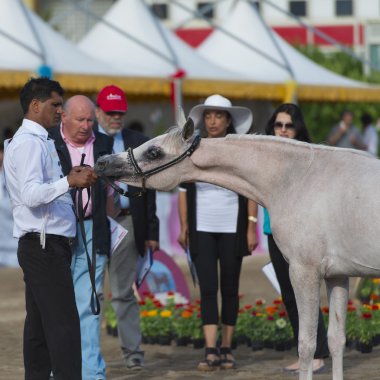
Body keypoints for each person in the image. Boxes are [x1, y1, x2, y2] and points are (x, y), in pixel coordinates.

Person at [3, 77, 98, 380]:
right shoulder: (30, 142)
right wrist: (69, 182)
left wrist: (68, 179)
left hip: (43, 244)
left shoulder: (38, 140)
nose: (60, 111)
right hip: (43, 245)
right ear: (35, 105)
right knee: (64, 327)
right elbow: (30, 195)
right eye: (55, 104)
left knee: (40, 327)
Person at [177, 94, 258, 371]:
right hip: (202, 229)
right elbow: (183, 191)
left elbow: (251, 193)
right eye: (208, 115)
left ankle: (227, 348)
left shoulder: (239, 150)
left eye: (218, 116)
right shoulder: (192, 148)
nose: (212, 121)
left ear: (228, 121)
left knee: (231, 289)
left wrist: (250, 227)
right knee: (208, 289)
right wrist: (184, 226)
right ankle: (210, 349)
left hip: (233, 230)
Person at [49, 95, 114, 380]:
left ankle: (91, 373)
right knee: (56, 305)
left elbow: (111, 192)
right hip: (56, 231)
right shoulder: (48, 143)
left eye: (90, 120)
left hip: (91, 229)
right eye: (80, 119)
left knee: (88, 303)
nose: (86, 126)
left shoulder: (104, 145)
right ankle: (57, 369)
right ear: (63, 116)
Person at [95, 85, 160, 370]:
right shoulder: (86, 140)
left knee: (124, 291)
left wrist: (152, 231)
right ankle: (87, 352)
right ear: (98, 112)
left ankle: (132, 351)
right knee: (92, 293)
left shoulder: (140, 143)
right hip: (95, 223)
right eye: (110, 112)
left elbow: (151, 189)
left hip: (127, 221)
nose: (116, 117)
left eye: (120, 112)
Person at [264, 103, 329, 374]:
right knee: (289, 295)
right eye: (278, 125)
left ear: (297, 128)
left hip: (303, 235)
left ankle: (318, 354)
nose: (282, 130)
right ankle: (306, 354)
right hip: (273, 232)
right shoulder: (266, 158)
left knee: (307, 294)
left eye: (288, 125)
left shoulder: (308, 159)